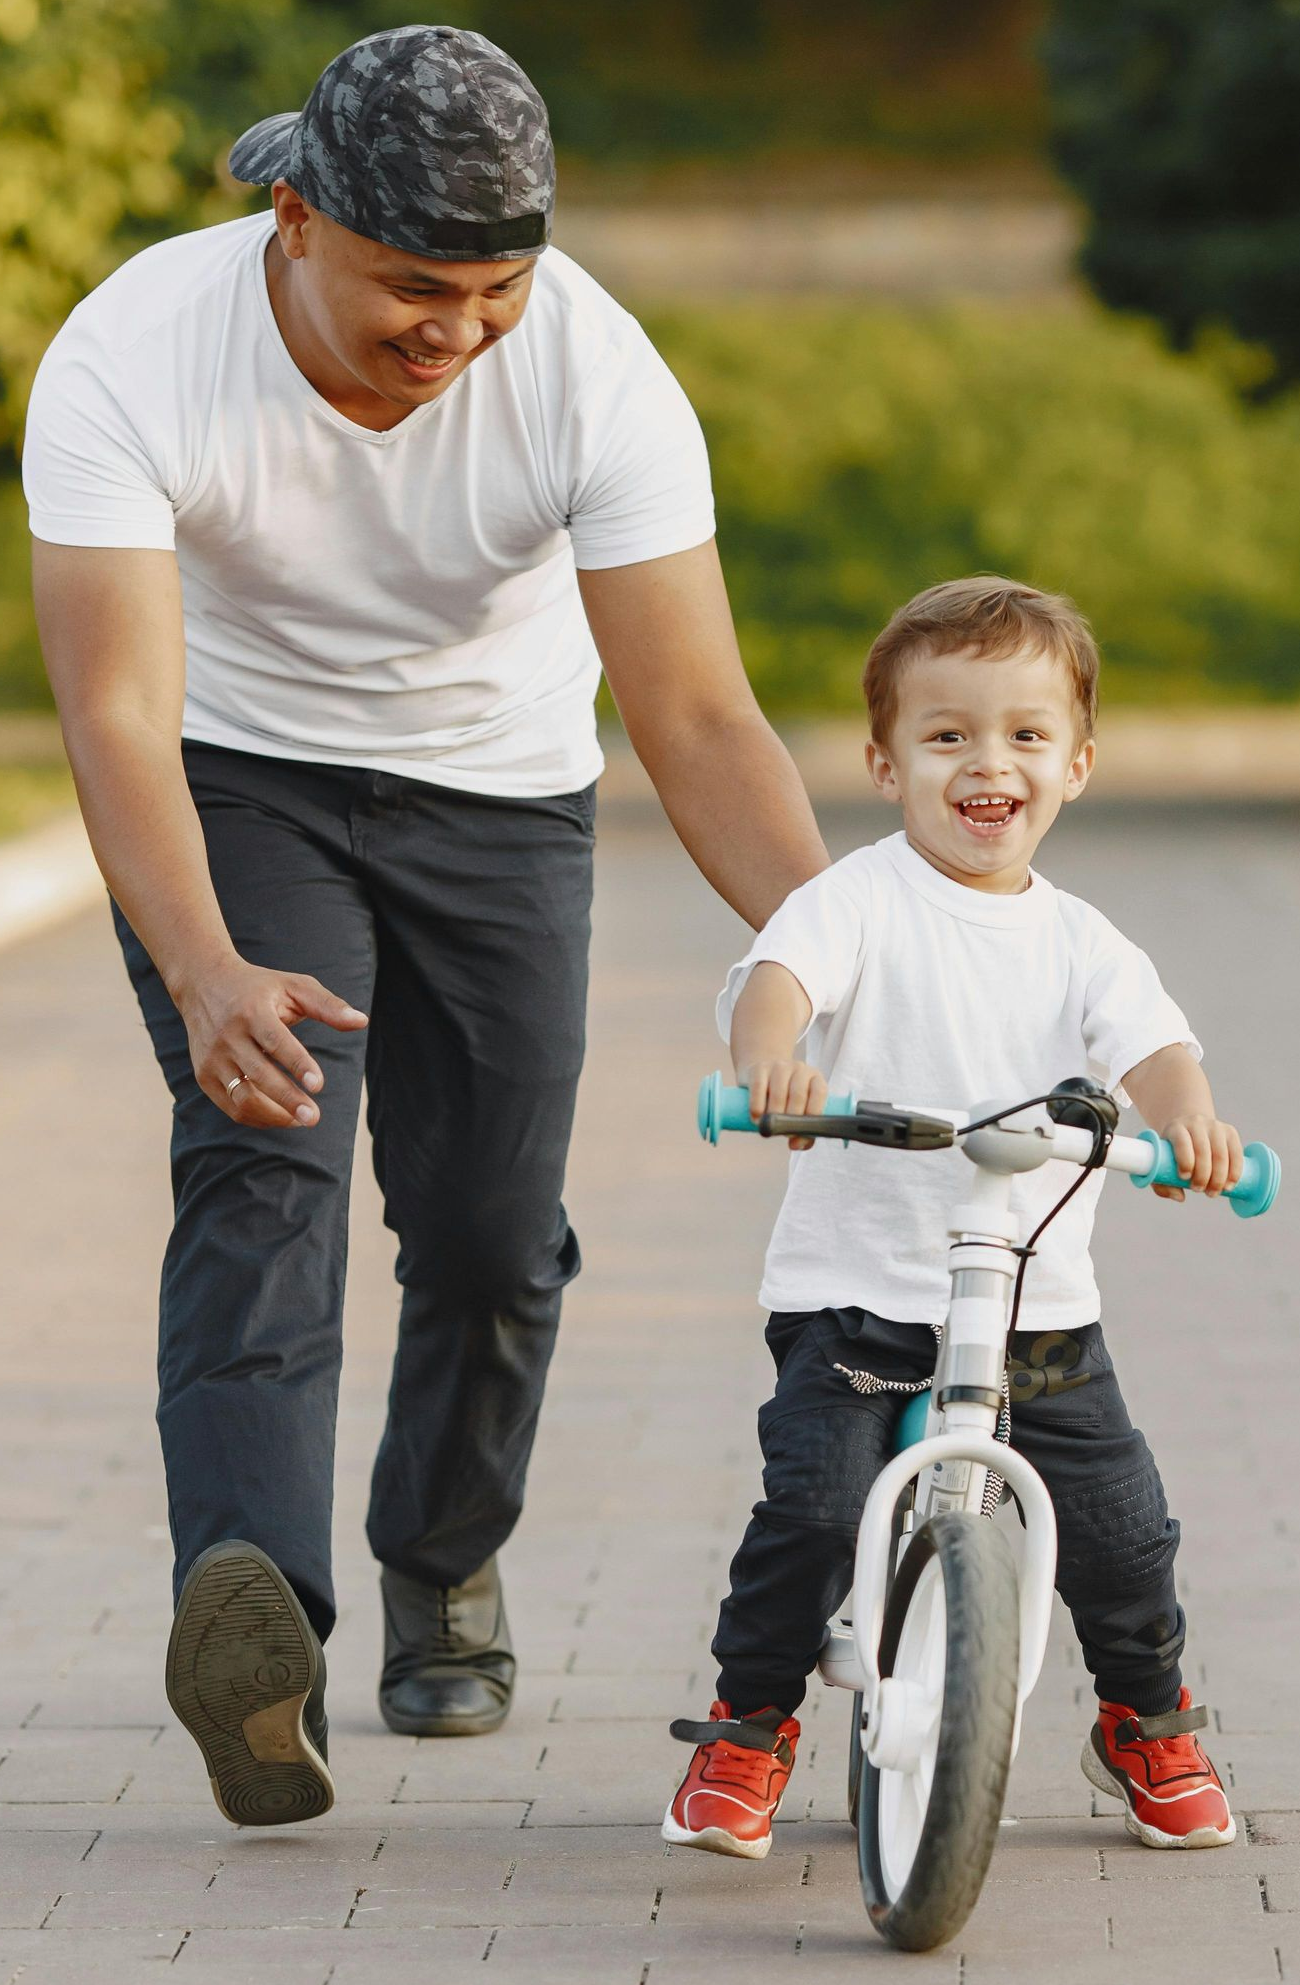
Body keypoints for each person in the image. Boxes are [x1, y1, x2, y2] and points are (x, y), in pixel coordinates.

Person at [22, 25, 828, 1827]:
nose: (454, 332)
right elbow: (118, 715)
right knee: (263, 1160)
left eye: (493, 290)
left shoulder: (597, 374)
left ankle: (442, 1560)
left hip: (502, 795)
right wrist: (204, 962)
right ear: (293, 218)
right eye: (411, 287)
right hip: (241, 780)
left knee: (486, 1235)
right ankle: (257, 1625)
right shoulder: (140, 350)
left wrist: (855, 943)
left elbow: (696, 718)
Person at [664, 575, 1242, 1861]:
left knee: (1121, 1534)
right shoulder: (859, 898)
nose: (989, 763)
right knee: (812, 1512)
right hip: (860, 1294)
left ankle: (1149, 1717)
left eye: (1026, 735)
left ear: (1076, 765)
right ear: (885, 761)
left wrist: (1187, 1122)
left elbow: (1156, 1051)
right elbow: (778, 977)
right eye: (947, 736)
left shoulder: (1083, 940)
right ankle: (746, 1726)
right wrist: (776, 1064)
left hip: (1040, 1312)